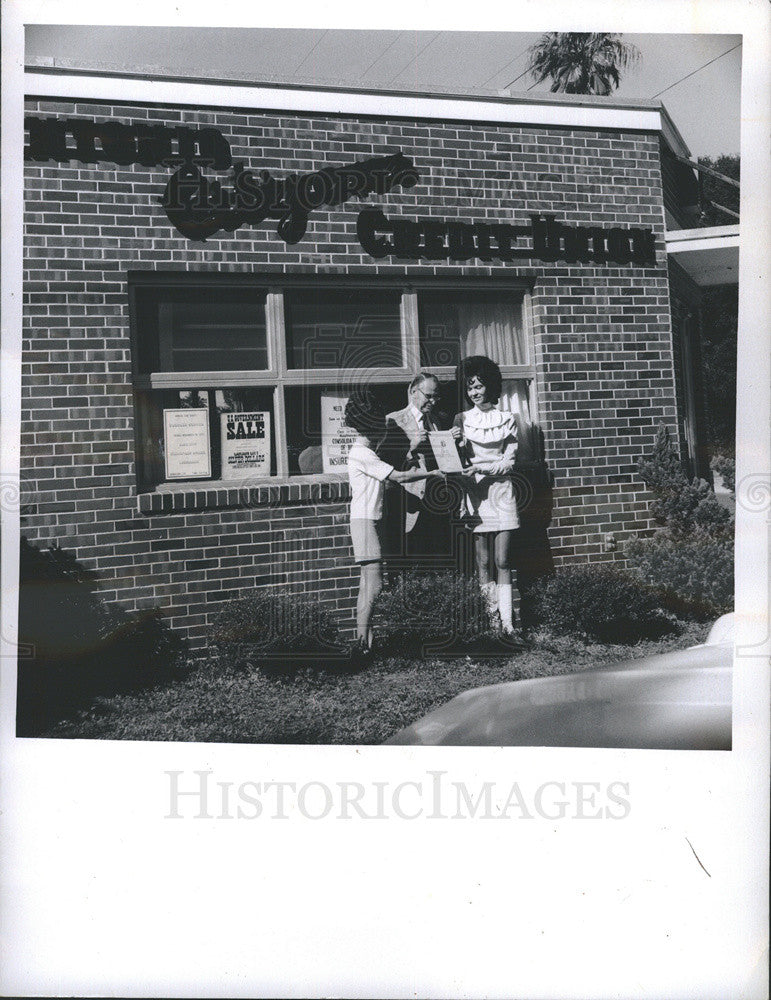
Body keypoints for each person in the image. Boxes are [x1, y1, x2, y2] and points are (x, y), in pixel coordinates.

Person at [344, 389, 443, 657]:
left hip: (369, 521)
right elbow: (397, 477)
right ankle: (362, 645)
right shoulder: (362, 454)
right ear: (370, 426)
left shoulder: (366, 453)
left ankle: (364, 644)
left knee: (367, 586)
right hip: (365, 523)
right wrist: (431, 471)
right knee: (374, 586)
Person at [453, 356, 519, 633]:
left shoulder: (508, 419)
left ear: (490, 386)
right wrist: (455, 444)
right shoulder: (462, 419)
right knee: (482, 561)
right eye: (470, 387)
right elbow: (455, 463)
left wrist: (480, 466)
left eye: (479, 386)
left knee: (502, 560)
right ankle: (492, 624)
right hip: (476, 495)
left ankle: (509, 625)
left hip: (502, 493)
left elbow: (509, 463)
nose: (475, 392)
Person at [381, 373, 456, 560]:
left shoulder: (437, 421)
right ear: (413, 392)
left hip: (435, 500)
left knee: (432, 557)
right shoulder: (394, 420)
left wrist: (453, 443)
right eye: (428, 395)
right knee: (407, 558)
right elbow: (383, 463)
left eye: (436, 397)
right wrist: (411, 446)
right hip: (407, 502)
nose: (433, 401)